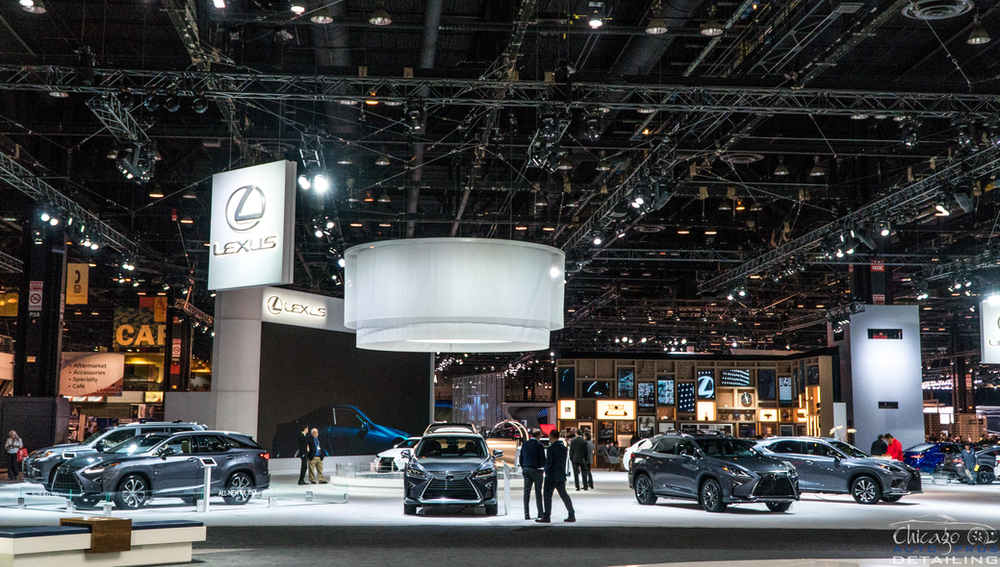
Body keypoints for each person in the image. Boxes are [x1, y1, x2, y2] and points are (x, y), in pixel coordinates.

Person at [536, 429, 575, 523]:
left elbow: (549, 462)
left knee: (547, 496)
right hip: (560, 475)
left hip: (551, 476)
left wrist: (545, 470)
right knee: (564, 495)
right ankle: (571, 513)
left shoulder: (550, 449)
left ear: (551, 437)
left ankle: (547, 516)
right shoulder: (563, 448)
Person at [519, 428, 546, 520]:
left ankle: (526, 513)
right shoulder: (540, 446)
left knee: (527, 492)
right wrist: (543, 468)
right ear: (538, 435)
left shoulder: (525, 444)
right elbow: (543, 459)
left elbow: (521, 457)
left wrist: (524, 467)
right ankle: (540, 513)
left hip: (527, 469)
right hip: (537, 470)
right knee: (538, 492)